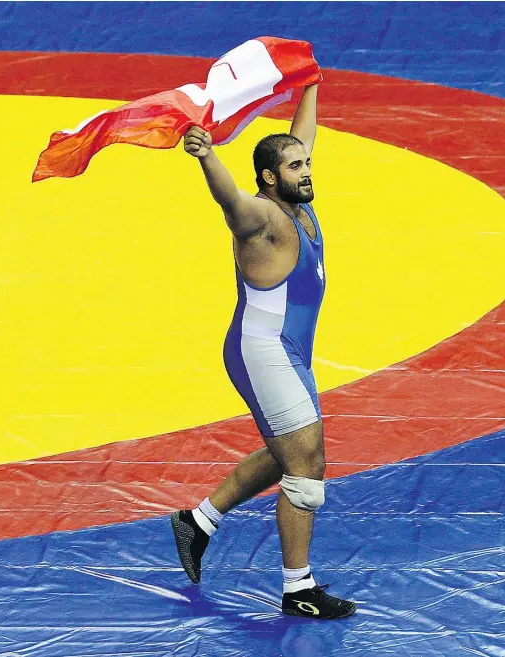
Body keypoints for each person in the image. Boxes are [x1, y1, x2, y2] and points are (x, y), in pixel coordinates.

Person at [171, 83, 357, 620]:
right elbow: (231, 200)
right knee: (307, 465)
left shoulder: (296, 199)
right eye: (295, 166)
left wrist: (313, 82)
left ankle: (198, 521)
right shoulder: (263, 222)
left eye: (306, 162)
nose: (306, 169)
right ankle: (298, 588)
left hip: (288, 351)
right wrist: (207, 158)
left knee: (288, 452)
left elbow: (302, 135)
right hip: (264, 351)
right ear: (271, 179)